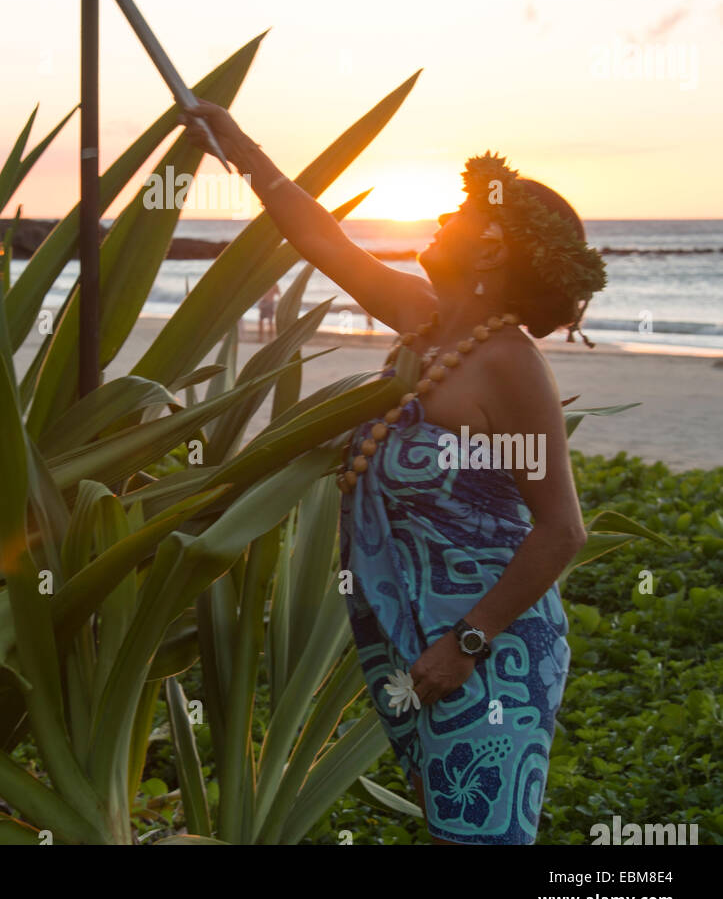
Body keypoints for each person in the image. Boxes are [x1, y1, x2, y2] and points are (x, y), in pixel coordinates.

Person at [177, 98, 607, 846]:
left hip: (484, 653)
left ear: (493, 249)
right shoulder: (424, 320)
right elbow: (319, 238)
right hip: (403, 641)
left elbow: (561, 529)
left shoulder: (509, 364)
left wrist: (466, 643)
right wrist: (240, 145)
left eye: (461, 214)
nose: (442, 220)